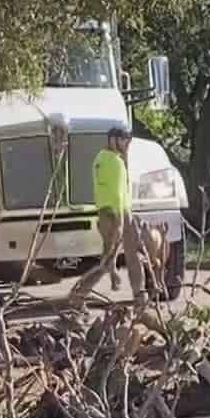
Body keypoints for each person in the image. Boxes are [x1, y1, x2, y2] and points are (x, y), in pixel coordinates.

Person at [68, 126, 147, 307]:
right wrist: (119, 221)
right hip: (116, 213)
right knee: (111, 258)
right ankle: (79, 295)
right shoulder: (113, 162)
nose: (127, 144)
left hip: (110, 211)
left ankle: (139, 294)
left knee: (125, 256)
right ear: (113, 139)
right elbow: (117, 193)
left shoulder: (101, 158)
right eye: (124, 139)